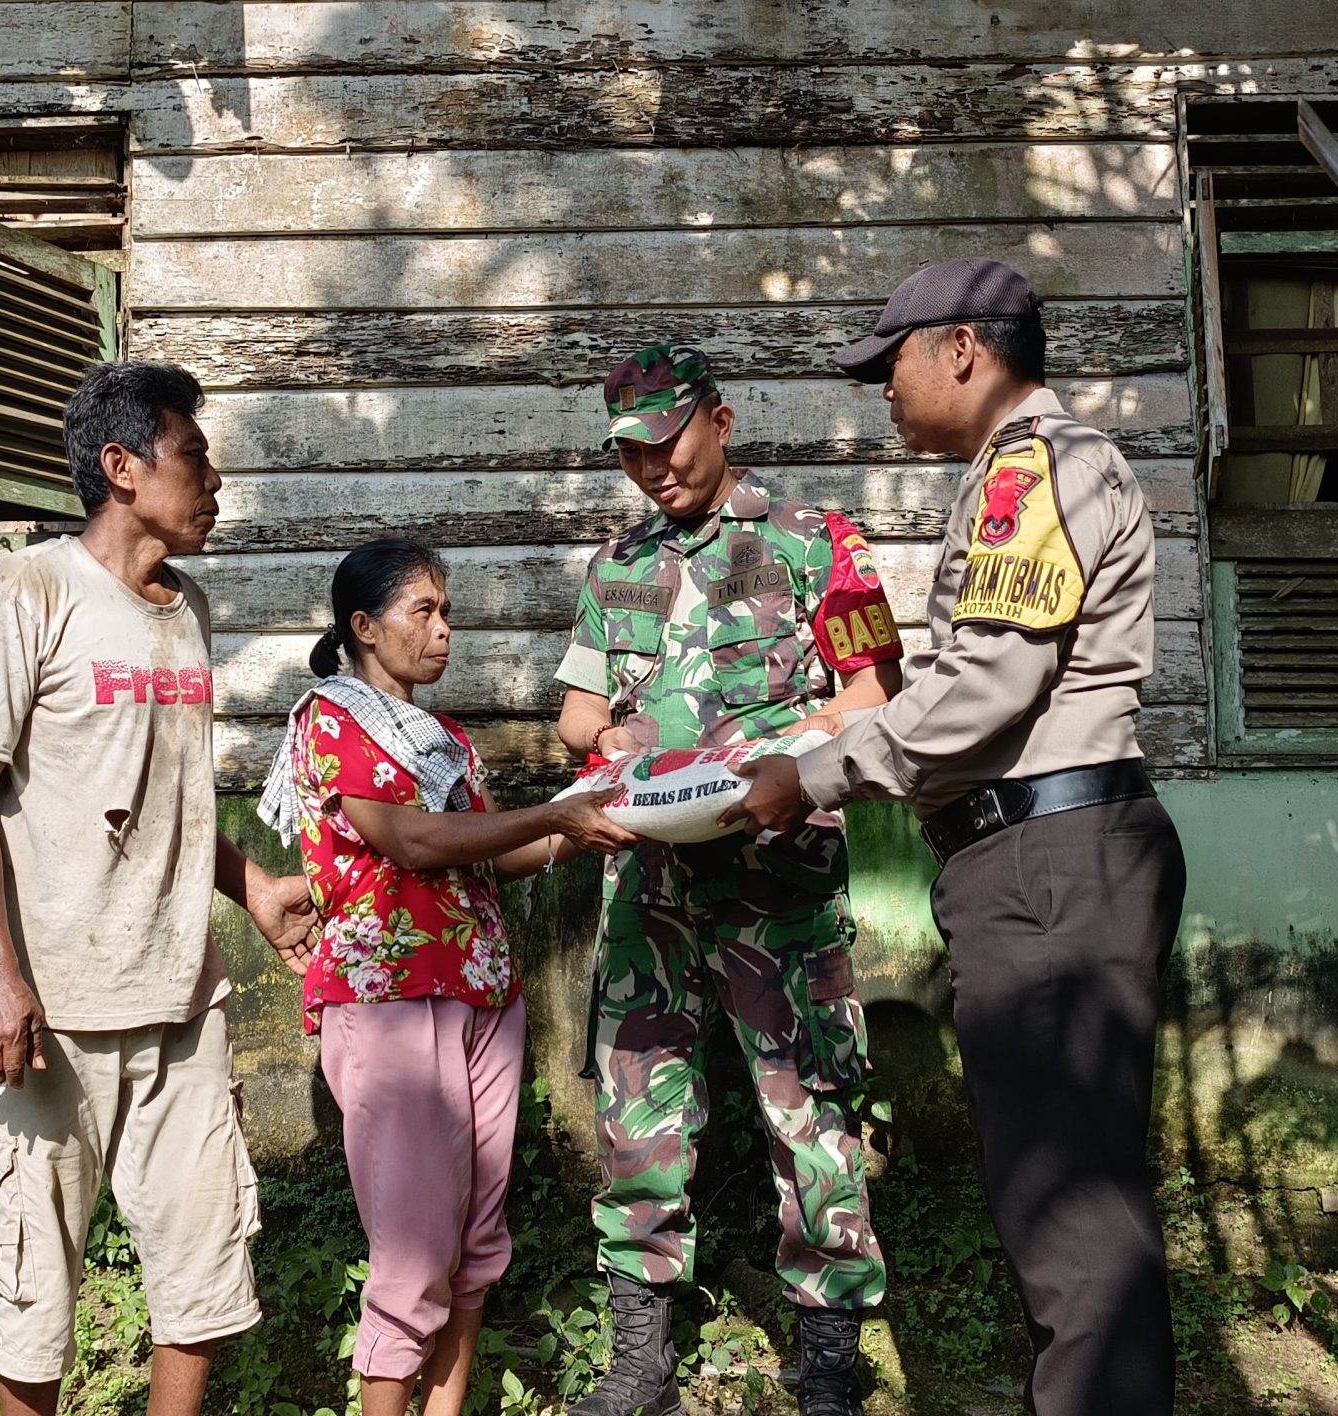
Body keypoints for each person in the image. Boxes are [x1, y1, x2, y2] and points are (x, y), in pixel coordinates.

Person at [726, 259, 1190, 1416]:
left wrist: (816, 771)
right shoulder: (1027, 468)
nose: (883, 389)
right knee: (1077, 1201)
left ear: (962, 352)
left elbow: (987, 685)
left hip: (1047, 862)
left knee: (1069, 1211)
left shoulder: (1033, 468)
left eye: (892, 363)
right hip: (1047, 857)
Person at [0, 361, 319, 1416]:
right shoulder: (27, 591)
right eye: (193, 455)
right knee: (30, 1277)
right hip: (48, 1008)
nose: (215, 477)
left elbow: (161, 798)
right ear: (121, 468)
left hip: (180, 1002)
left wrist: (253, 885)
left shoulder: (186, 609)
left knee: (202, 1262)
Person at [551, 345, 905, 1416]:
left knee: (812, 1116)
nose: (651, 467)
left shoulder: (817, 545)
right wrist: (610, 733)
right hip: (650, 889)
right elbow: (574, 712)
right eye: (630, 453)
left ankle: (830, 1362)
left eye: (666, 440)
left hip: (779, 890)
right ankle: (641, 1359)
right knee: (637, 1115)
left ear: (721, 419)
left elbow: (871, 695)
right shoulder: (615, 565)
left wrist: (778, 755)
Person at [256, 538, 635, 1416]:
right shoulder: (332, 721)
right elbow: (409, 839)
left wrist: (604, 813)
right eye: (422, 611)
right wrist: (554, 814)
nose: (444, 630)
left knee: (475, 1239)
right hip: (388, 1004)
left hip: (483, 994)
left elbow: (503, 854)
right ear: (364, 626)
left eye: (447, 611)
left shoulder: (445, 738)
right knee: (414, 1252)